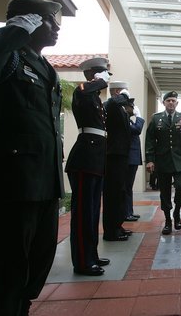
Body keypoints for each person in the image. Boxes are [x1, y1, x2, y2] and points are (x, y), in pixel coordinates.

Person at [0, 0, 64, 315]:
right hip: (12, 181)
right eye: (51, 21)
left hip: (44, 180)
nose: (56, 29)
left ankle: (20, 308)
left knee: (38, 261)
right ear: (28, 21)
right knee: (8, 266)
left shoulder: (42, 65)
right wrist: (13, 32)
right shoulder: (5, 52)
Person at [66, 57, 112, 276]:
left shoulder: (94, 97)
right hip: (85, 158)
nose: (106, 79)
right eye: (102, 74)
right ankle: (83, 261)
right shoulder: (83, 91)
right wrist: (99, 82)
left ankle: (91, 254)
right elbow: (83, 91)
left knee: (93, 212)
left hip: (95, 158)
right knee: (84, 213)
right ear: (91, 75)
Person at [145, 91, 181, 235]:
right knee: (165, 192)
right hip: (163, 161)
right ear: (164, 103)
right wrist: (150, 160)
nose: (171, 103)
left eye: (173, 100)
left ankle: (177, 212)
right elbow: (150, 140)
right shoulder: (156, 119)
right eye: (168, 101)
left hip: (180, 161)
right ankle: (167, 220)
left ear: (177, 103)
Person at [103, 81, 133, 241]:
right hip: (113, 155)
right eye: (122, 92)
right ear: (115, 92)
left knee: (120, 193)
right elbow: (114, 101)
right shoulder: (112, 104)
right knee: (113, 195)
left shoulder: (120, 108)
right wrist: (122, 95)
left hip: (121, 155)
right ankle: (111, 231)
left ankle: (117, 226)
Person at [123, 91, 145, 222]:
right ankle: (126, 213)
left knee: (128, 187)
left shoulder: (128, 120)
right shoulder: (125, 120)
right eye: (132, 106)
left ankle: (129, 211)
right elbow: (137, 130)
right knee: (126, 187)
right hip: (128, 159)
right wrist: (139, 117)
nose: (133, 108)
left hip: (132, 158)